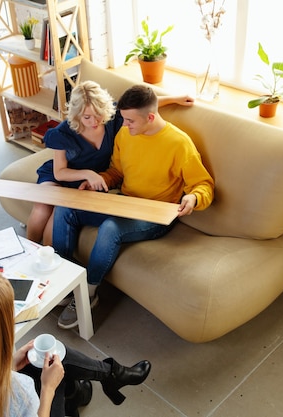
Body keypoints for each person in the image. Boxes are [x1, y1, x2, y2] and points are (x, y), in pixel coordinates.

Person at [52, 84, 215, 330]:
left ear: (150, 117)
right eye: (123, 119)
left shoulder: (179, 144)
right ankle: (65, 280)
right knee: (66, 208)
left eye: (129, 121)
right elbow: (117, 170)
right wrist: (100, 181)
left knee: (110, 227)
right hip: (124, 202)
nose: (124, 125)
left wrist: (193, 198)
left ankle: (87, 293)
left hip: (156, 214)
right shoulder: (126, 135)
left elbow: (203, 184)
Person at [0, 269, 152, 417]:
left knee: (46, 358)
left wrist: (11, 365)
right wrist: (47, 389)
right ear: (4, 327)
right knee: (58, 378)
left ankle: (109, 376)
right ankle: (92, 386)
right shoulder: (18, 392)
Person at [27, 80, 194, 246]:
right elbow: (60, 172)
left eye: (98, 114)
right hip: (64, 174)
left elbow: (143, 108)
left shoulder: (112, 118)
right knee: (43, 205)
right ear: (77, 114)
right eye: (87, 117)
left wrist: (175, 99)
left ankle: (48, 259)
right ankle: (27, 251)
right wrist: (88, 173)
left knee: (58, 211)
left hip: (91, 181)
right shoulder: (64, 132)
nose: (94, 121)